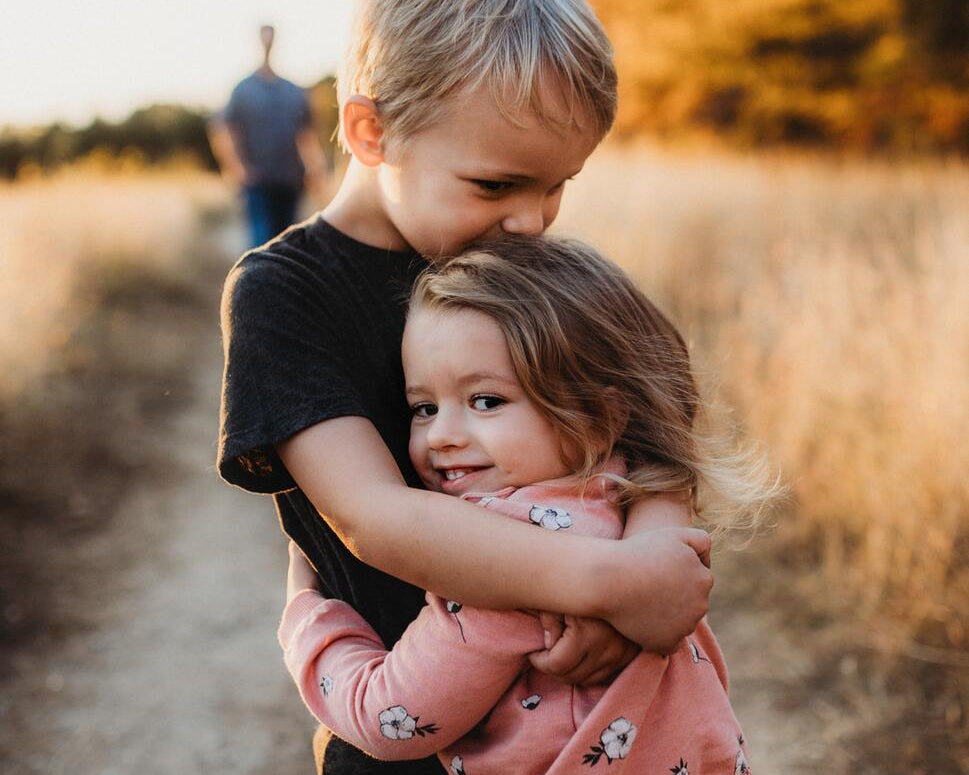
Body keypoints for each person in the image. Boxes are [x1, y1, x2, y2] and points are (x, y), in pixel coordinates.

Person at [218, 2, 714, 773]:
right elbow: (372, 516)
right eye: (496, 185)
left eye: (557, 186)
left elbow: (653, 423)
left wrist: (650, 554)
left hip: (599, 730)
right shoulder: (286, 294)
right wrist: (607, 582)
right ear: (371, 133)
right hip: (409, 735)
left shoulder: (521, 266)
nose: (530, 221)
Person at [279, 236, 771, 774]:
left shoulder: (501, 558)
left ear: (599, 415)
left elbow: (388, 718)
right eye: (422, 407)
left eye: (485, 401)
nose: (441, 435)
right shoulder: (628, 494)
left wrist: (308, 616)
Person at [208, 24, 326, 247]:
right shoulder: (243, 89)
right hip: (257, 181)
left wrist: (316, 170)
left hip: (290, 179)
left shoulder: (292, 91)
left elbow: (307, 134)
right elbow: (223, 129)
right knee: (261, 243)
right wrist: (237, 168)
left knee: (286, 244)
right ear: (259, 41)